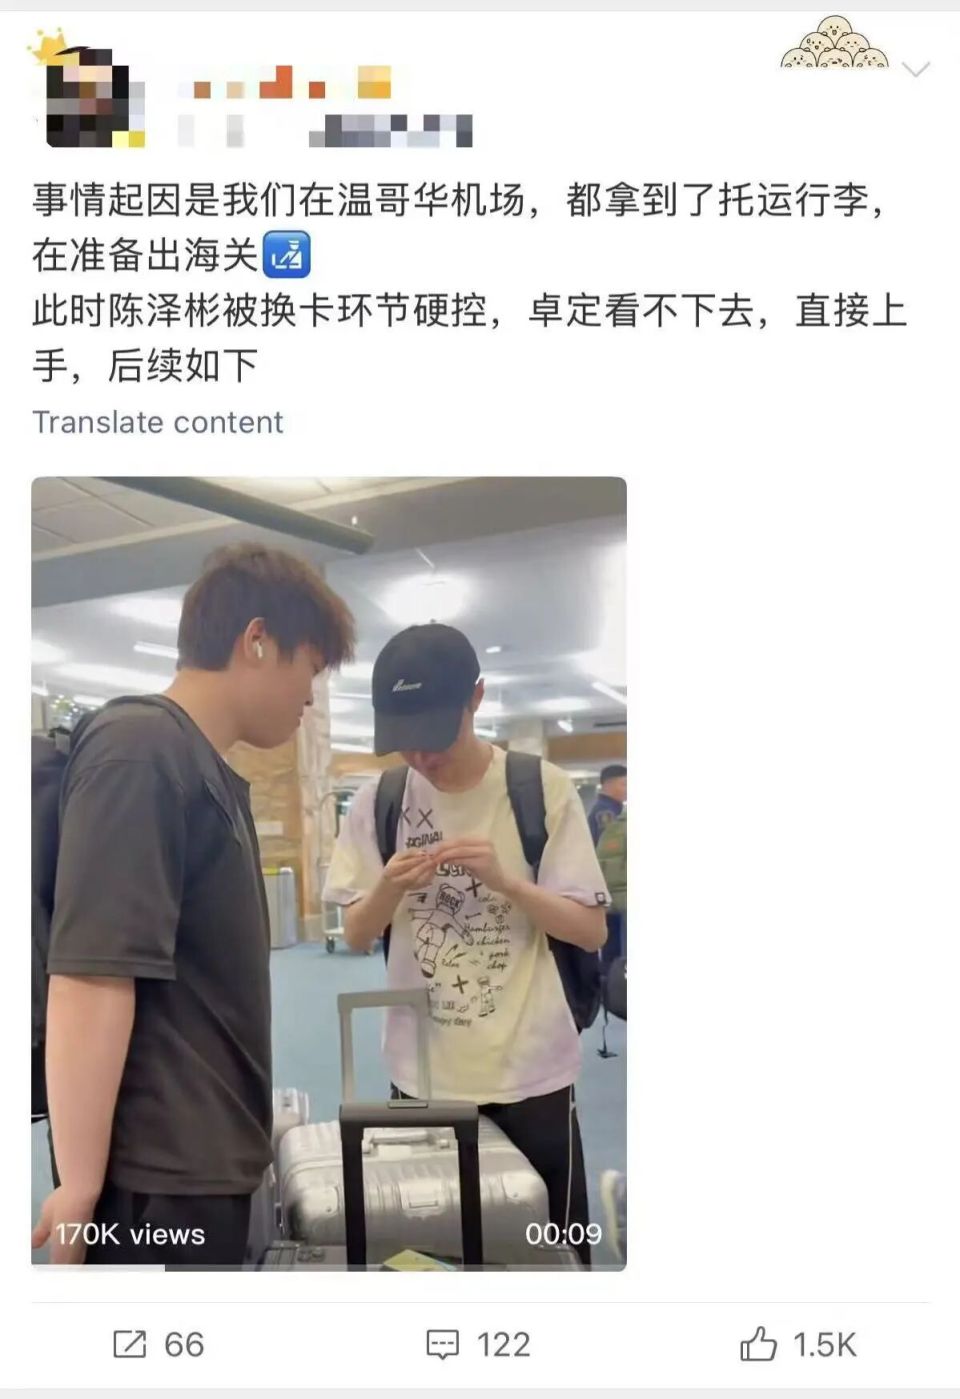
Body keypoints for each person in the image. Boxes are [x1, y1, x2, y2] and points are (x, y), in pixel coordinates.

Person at [31, 544, 355, 1267]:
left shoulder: (201, 764)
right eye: (311, 666)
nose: (311, 695)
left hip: (207, 1162)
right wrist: (79, 1188)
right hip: (157, 1180)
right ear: (257, 640)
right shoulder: (139, 749)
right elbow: (90, 975)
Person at [324, 624, 610, 1266]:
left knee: (551, 1252)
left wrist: (508, 883)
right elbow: (358, 935)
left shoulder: (540, 788)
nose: (421, 757)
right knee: (432, 1252)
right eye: (404, 740)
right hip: (421, 1073)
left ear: (475, 698)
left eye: (434, 736)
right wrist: (389, 887)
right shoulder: (379, 801)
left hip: (532, 1069)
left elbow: (589, 930)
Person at [589, 765, 627, 966]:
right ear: (608, 784)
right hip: (612, 890)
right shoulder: (607, 814)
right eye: (624, 784)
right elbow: (610, 854)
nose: (627, 789)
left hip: (610, 890)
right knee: (616, 950)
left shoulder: (613, 810)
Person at [587, 764, 627, 846]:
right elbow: (611, 844)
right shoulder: (605, 811)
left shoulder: (613, 808)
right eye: (624, 784)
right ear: (608, 785)